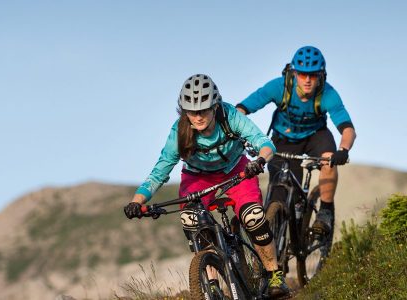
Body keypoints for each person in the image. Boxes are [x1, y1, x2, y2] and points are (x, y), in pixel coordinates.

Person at [123, 74, 289, 297]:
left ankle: (274, 274)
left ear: (214, 105)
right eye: (192, 111)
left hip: (237, 170)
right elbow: (159, 172)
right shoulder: (179, 131)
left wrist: (259, 160)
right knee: (192, 220)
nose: (198, 116)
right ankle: (211, 283)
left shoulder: (230, 116)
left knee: (253, 217)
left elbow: (265, 143)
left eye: (203, 109)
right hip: (197, 177)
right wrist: (137, 201)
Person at [235, 45, 356, 237]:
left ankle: (324, 211)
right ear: (293, 73)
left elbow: (347, 128)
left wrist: (343, 149)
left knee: (328, 160)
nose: (307, 80)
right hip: (283, 139)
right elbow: (243, 107)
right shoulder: (279, 87)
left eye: (314, 75)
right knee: (278, 194)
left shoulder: (328, 94)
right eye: (302, 74)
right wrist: (234, 128)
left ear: (321, 75)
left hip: (315, 136)